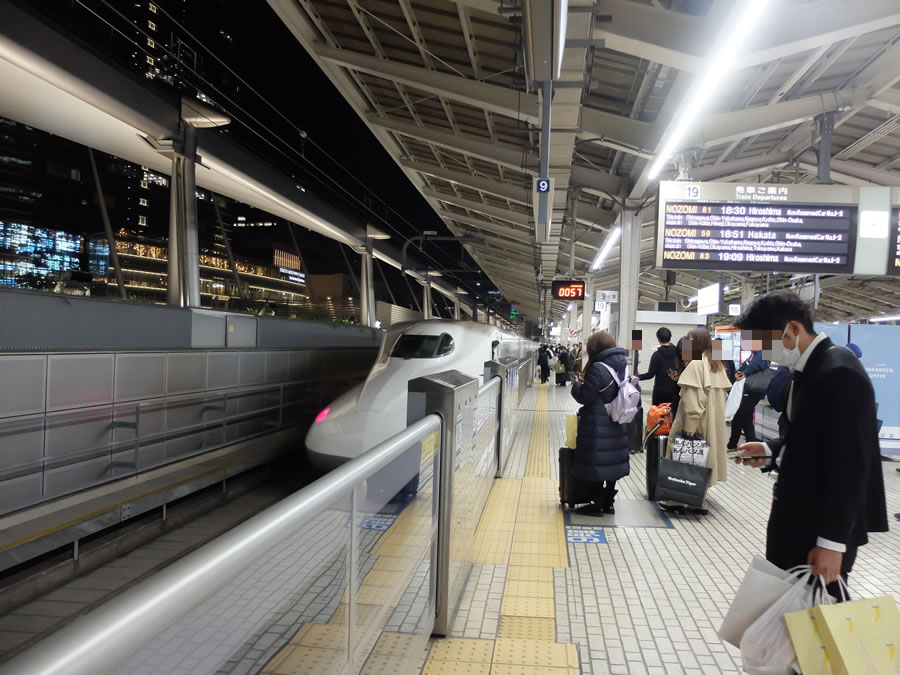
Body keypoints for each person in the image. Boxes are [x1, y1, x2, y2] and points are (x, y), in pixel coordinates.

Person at [734, 291, 888, 593]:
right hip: (798, 519)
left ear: (792, 330)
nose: (766, 354)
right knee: (790, 623)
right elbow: (814, 441)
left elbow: (850, 466)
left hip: (817, 531)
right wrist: (771, 451)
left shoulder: (840, 373)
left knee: (813, 628)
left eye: (766, 344)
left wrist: (832, 542)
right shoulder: (809, 369)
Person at [661, 328, 732, 515]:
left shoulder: (696, 365)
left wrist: (691, 425)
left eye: (690, 340)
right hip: (712, 422)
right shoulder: (716, 364)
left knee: (685, 458)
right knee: (703, 459)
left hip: (697, 421)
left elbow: (693, 400)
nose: (687, 344)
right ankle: (696, 499)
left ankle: (678, 498)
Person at [569, 331, 632, 516]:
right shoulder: (623, 365)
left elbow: (585, 396)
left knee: (597, 462)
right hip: (617, 419)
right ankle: (608, 503)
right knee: (612, 462)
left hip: (598, 422)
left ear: (594, 348)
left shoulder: (597, 367)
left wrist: (577, 385)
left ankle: (596, 505)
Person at [727, 345, 770, 449]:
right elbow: (742, 367)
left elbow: (755, 365)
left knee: (739, 416)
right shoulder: (753, 355)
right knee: (746, 418)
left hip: (753, 391)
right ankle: (751, 443)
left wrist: (744, 374)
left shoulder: (764, 352)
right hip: (748, 390)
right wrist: (738, 373)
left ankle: (732, 444)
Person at [638, 327, 678, 406]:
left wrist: (637, 377)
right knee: (672, 415)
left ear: (658, 338)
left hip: (659, 392)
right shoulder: (678, 353)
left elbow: (650, 374)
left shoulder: (656, 355)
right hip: (674, 390)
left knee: (657, 415)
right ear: (670, 337)